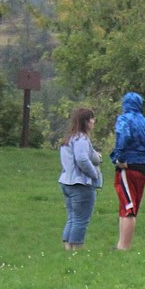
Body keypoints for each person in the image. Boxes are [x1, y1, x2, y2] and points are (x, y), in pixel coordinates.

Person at [109, 92, 145, 250]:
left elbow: (123, 136)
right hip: (142, 169)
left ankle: (124, 246)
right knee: (128, 204)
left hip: (127, 167)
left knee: (128, 207)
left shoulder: (124, 119)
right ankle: (120, 244)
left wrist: (120, 159)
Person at [58, 107, 102, 251]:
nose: (94, 121)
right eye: (92, 119)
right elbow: (82, 159)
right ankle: (77, 250)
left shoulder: (69, 138)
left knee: (72, 217)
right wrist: (94, 174)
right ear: (86, 122)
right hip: (80, 184)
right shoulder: (81, 139)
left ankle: (68, 249)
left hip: (67, 182)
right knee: (81, 219)